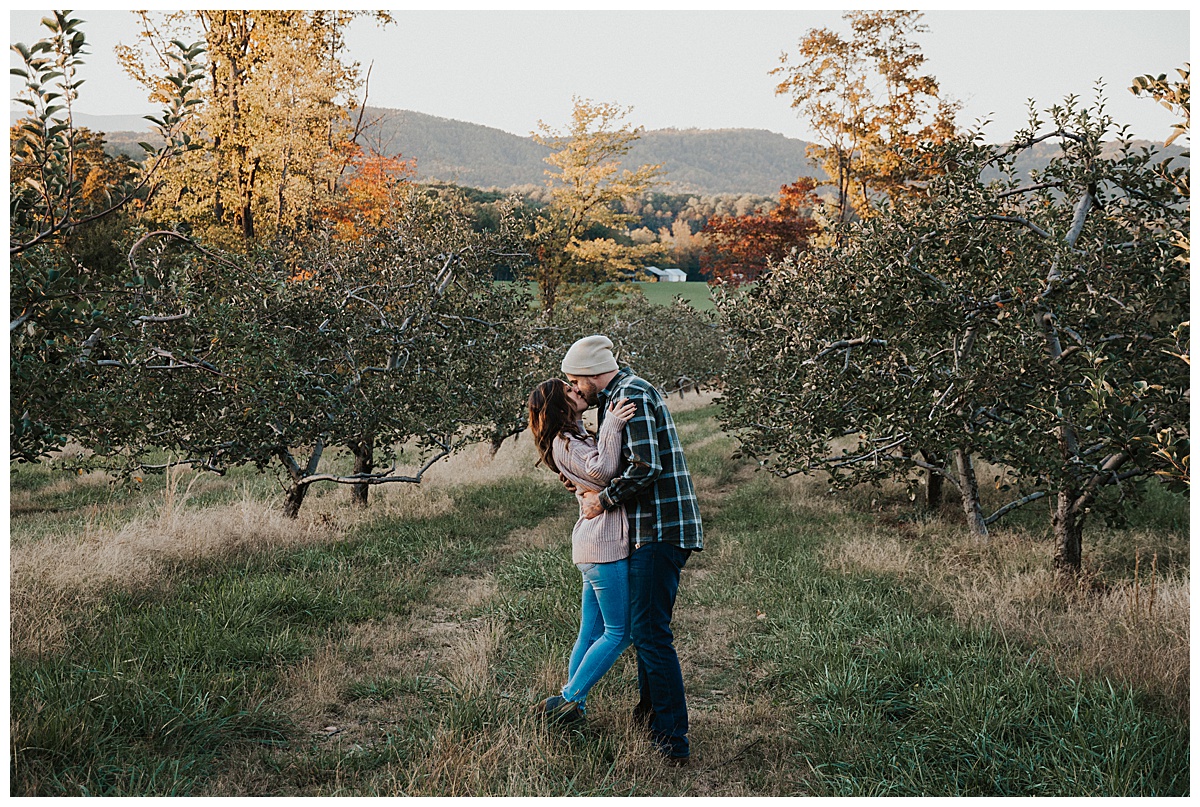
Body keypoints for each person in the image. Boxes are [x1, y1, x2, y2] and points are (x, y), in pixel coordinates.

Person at [560, 334, 703, 766]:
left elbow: (646, 465)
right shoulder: (614, 400)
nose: (574, 389)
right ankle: (650, 720)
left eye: (573, 380)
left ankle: (672, 740)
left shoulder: (632, 393)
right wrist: (583, 482)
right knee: (644, 633)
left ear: (587, 374)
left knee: (651, 635)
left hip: (660, 527)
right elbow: (613, 464)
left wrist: (600, 500)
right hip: (644, 529)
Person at [527, 377, 638, 726]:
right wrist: (613, 425)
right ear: (560, 407)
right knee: (621, 633)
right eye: (571, 392)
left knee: (591, 633)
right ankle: (566, 700)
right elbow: (603, 471)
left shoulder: (571, 437)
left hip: (593, 546)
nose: (579, 392)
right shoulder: (564, 442)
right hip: (602, 547)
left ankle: (575, 710)